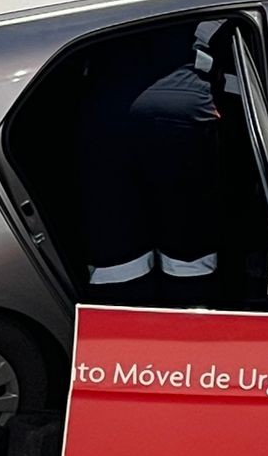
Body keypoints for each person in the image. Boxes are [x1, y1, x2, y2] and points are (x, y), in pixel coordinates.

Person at [72, 22, 228, 310]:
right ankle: (190, 331)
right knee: (187, 244)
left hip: (104, 113)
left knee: (116, 247)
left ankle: (123, 333)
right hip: (183, 109)